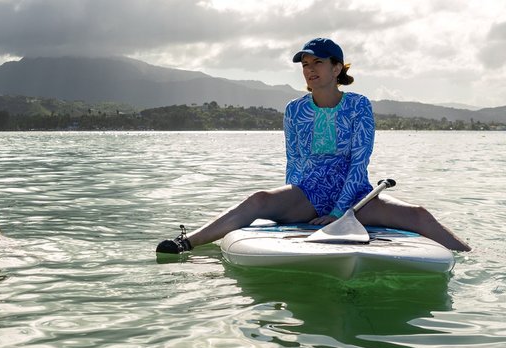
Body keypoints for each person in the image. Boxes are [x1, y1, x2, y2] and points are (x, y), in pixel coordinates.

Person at [156, 37, 470, 254]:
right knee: (259, 199)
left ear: (337, 68)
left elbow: (359, 162)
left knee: (418, 214)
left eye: (317, 62)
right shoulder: (294, 110)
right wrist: (289, 202)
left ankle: (472, 254)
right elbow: (294, 161)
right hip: (309, 192)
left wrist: (338, 212)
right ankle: (188, 242)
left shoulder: (359, 105)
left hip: (355, 195)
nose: (309, 70)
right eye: (305, 64)